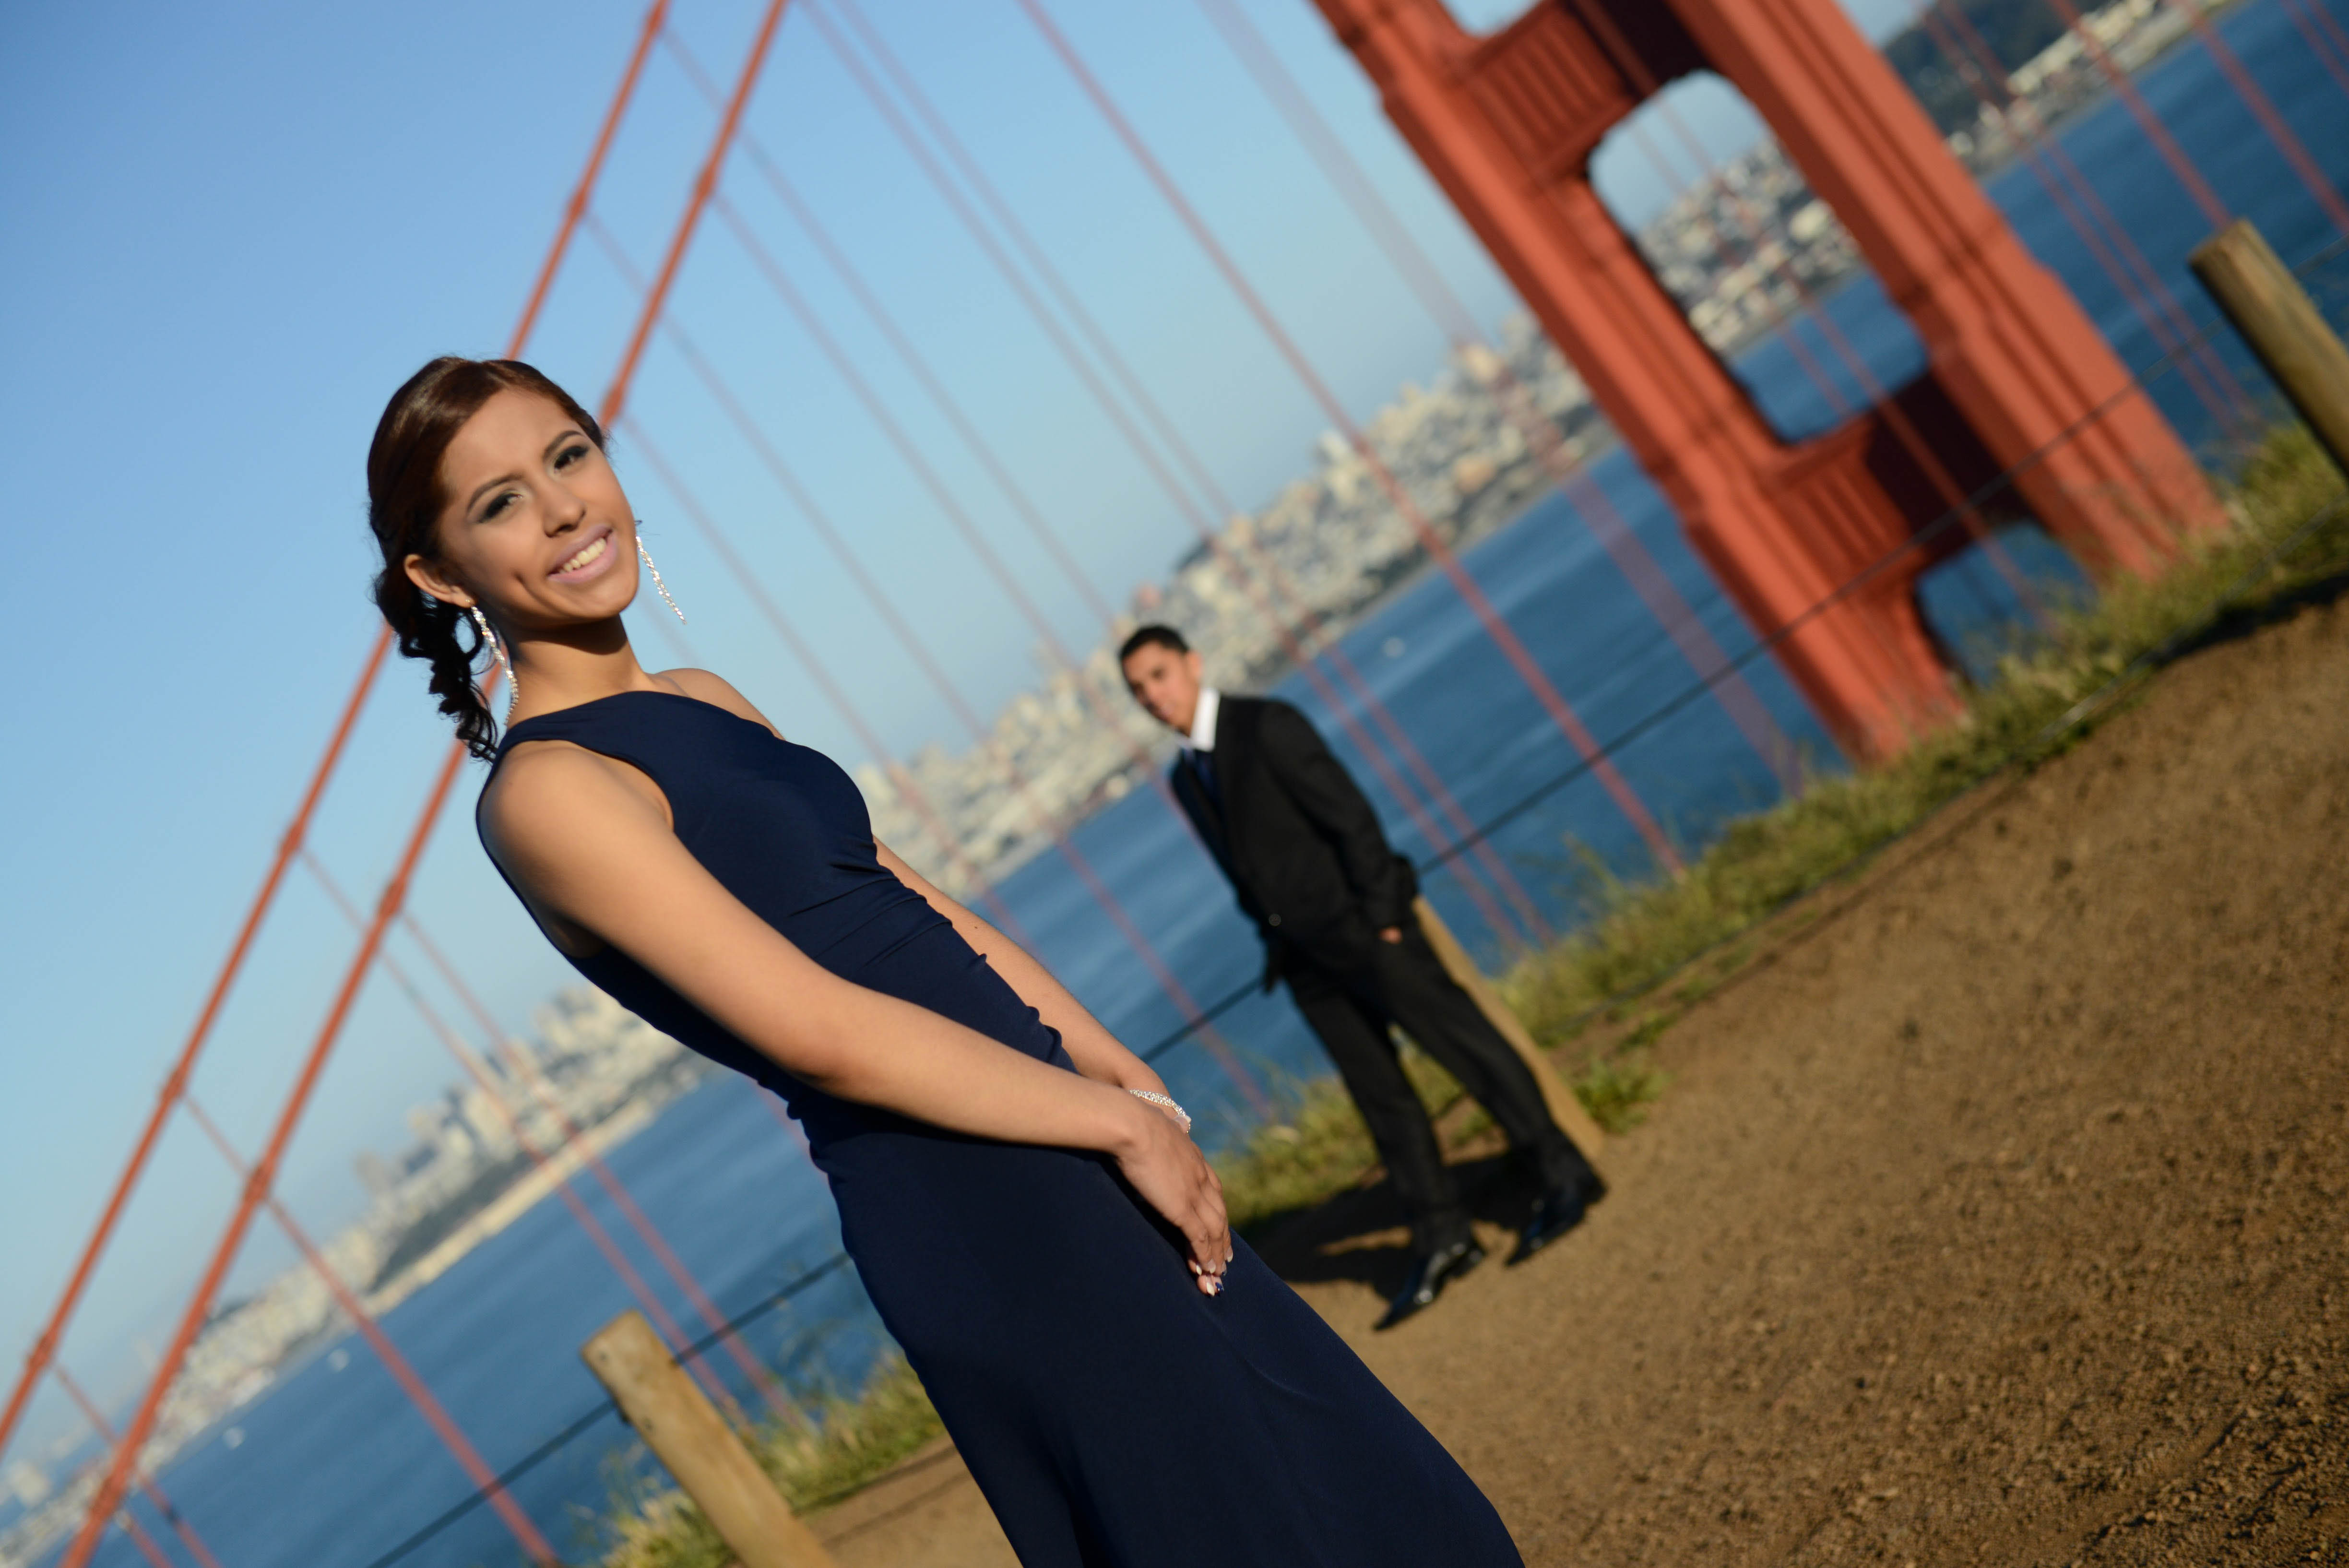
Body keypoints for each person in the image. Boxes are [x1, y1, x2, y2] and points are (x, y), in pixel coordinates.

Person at [365, 357, 1524, 1567]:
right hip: (972, 1195)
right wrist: (1107, 1123)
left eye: (568, 454)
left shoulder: (708, 695)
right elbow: (817, 1028)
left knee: (1376, 1499)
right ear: (440, 575)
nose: (562, 507)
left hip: (1051, 1116)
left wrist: (1120, 1075)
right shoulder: (547, 792)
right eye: (498, 500)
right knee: (1232, 1520)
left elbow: (919, 903)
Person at [1119, 625, 1605, 1330]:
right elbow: (1245, 868)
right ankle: (1444, 1235)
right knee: (1383, 1100)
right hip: (1305, 957)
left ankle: (1563, 1172)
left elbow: (1349, 817)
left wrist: (1382, 916)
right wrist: (1276, 941)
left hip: (1365, 930)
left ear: (1193, 664)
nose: (1152, 696)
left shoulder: (1268, 724)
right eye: (1138, 690)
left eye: (1159, 675)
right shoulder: (1185, 777)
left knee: (1464, 1044)